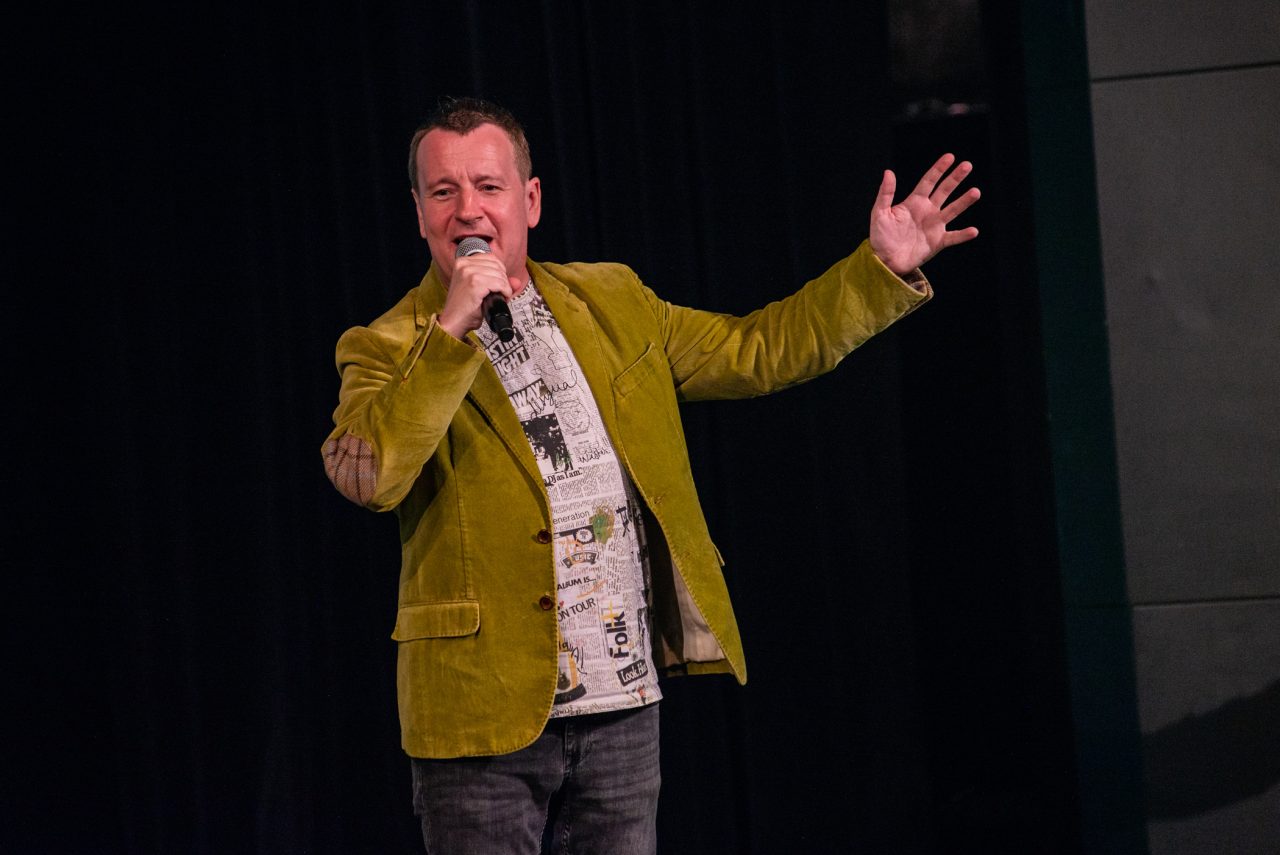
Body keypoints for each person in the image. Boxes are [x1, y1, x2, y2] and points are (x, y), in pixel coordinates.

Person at [322, 96, 979, 854]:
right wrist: (450, 334)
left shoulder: (612, 301)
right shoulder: (386, 345)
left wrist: (879, 271)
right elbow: (369, 477)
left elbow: (757, 349)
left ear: (530, 200)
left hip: (622, 704)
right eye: (444, 190)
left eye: (488, 186)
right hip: (481, 718)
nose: (468, 209)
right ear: (419, 212)